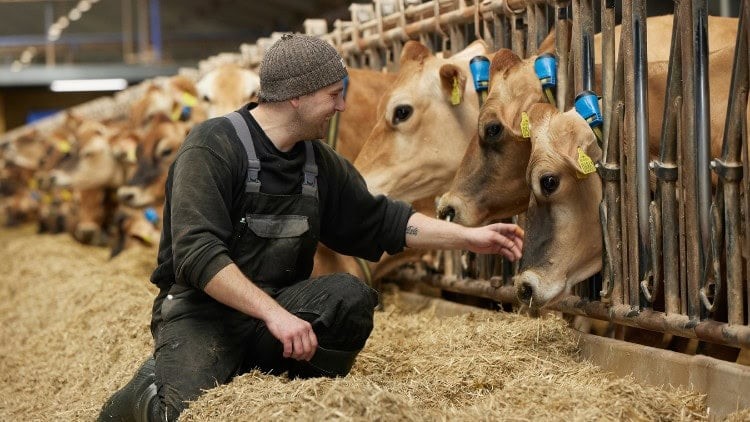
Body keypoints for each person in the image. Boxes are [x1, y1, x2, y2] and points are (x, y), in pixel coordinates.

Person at [98, 33, 524, 422]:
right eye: (333, 95)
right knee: (183, 414)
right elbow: (197, 255)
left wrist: (468, 237)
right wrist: (276, 316)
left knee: (351, 299)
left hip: (273, 307)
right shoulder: (211, 147)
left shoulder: (316, 161)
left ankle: (272, 382)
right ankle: (144, 392)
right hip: (202, 314)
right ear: (297, 98)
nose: (341, 107)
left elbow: (381, 219)